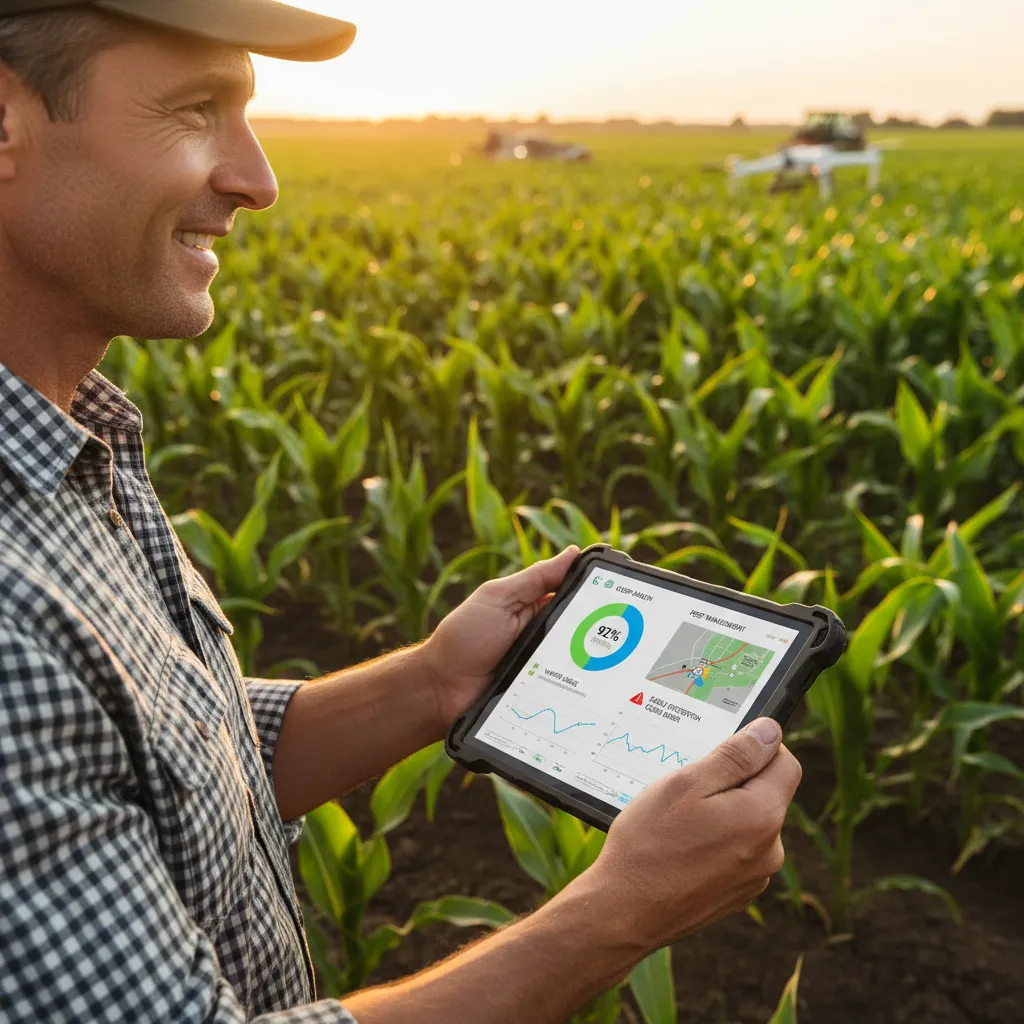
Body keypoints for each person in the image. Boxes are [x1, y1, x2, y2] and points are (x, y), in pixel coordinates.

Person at [0, 3, 802, 1021]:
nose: (257, 180)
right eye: (196, 109)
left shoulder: (71, 439)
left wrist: (430, 681)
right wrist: (616, 913)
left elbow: (156, 752)